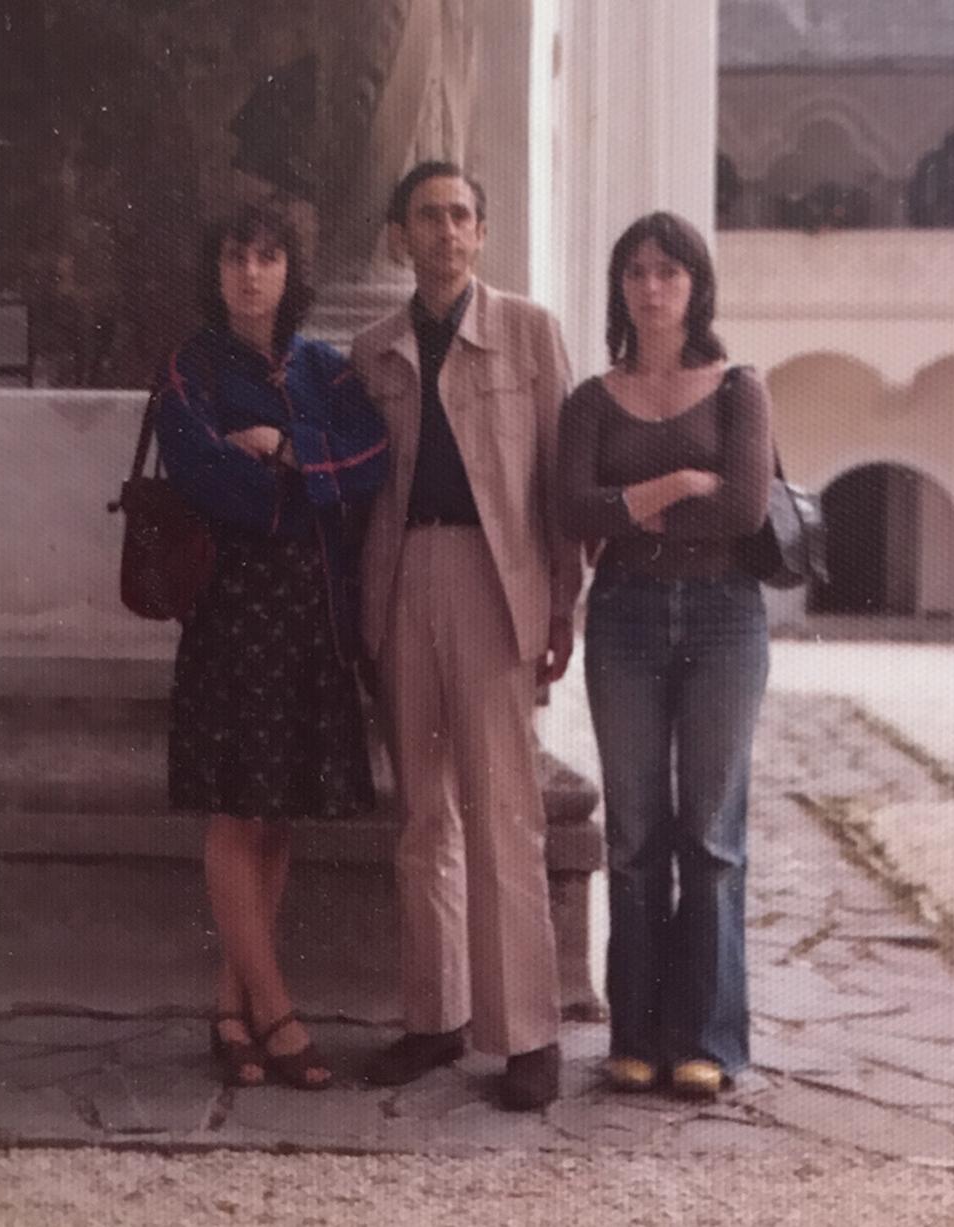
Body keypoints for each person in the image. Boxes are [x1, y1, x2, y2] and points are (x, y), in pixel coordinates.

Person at [351, 161, 582, 1111]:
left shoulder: (528, 332)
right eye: (425, 217)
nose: (443, 232)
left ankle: (526, 1033)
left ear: (482, 231)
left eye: (459, 215)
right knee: (423, 818)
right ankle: (434, 1018)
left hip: (496, 587)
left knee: (504, 814)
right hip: (405, 579)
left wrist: (562, 604)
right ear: (400, 235)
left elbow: (562, 483)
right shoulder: (371, 351)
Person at [153, 203, 390, 1089]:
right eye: (234, 256)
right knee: (236, 809)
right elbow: (207, 477)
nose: (251, 272)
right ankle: (279, 1011)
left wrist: (286, 449)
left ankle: (230, 1008)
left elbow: (371, 459)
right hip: (232, 608)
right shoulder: (192, 368)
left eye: (267, 256)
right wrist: (298, 489)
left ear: (293, 271)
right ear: (214, 271)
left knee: (279, 806)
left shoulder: (325, 368)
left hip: (312, 611)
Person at [557, 212, 773, 1098]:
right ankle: (636, 1033)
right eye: (637, 272)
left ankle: (709, 1040)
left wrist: (631, 504)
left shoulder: (739, 390)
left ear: (696, 287)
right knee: (637, 835)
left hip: (726, 618)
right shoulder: (590, 400)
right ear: (621, 287)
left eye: (670, 272)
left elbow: (747, 512)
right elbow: (572, 508)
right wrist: (684, 481)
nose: (652, 288)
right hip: (625, 620)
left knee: (712, 836)